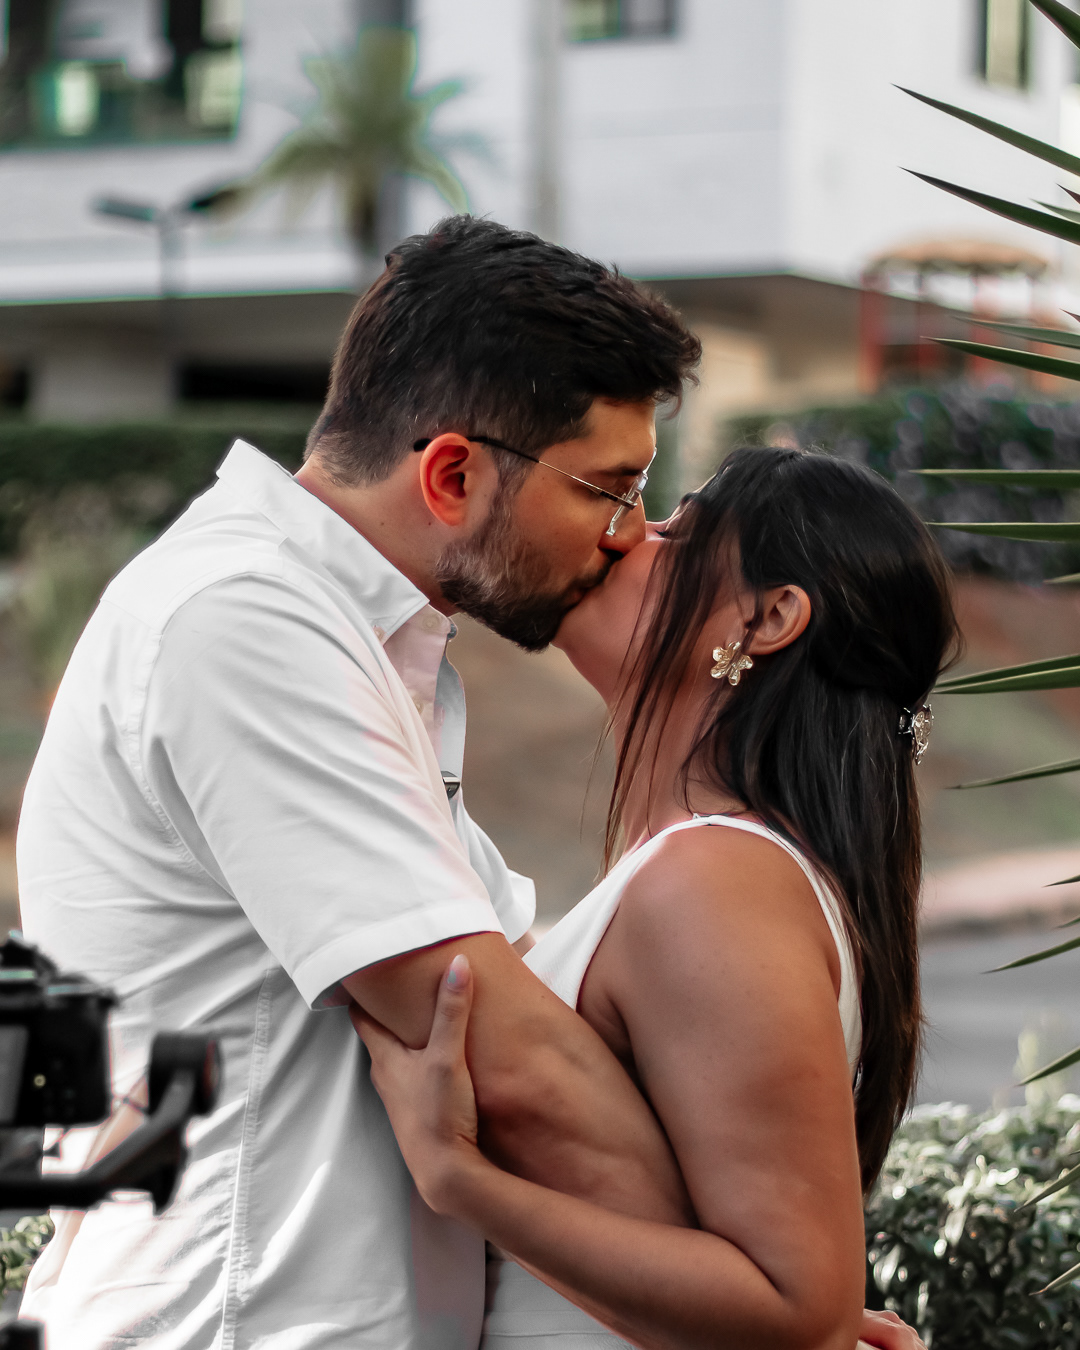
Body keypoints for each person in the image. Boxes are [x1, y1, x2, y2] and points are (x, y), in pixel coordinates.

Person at [16, 217, 703, 1349]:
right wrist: (768, 1302)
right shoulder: (242, 622)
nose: (627, 536)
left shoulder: (357, 640)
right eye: (610, 489)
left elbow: (530, 998)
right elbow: (512, 1061)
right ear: (452, 474)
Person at [353, 446, 958, 1350]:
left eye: (678, 531)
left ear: (766, 618)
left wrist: (461, 1180)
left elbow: (799, 1312)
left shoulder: (714, 881)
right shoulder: (706, 871)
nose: (630, 534)